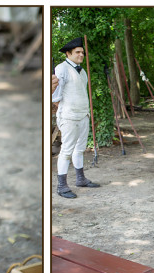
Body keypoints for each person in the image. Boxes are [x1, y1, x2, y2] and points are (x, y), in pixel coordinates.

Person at [52, 37, 100, 198]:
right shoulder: (62, 69)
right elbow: (55, 95)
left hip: (83, 114)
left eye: (82, 52)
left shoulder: (83, 71)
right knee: (66, 150)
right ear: (68, 53)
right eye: (77, 52)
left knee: (80, 149)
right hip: (69, 117)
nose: (81, 55)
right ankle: (62, 186)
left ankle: (80, 179)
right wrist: (65, 110)